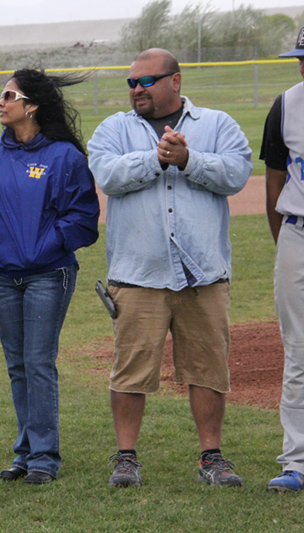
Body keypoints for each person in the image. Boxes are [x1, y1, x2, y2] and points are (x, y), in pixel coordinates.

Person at [87, 48, 252, 488]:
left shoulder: (217, 125)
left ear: (175, 81)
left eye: (146, 81)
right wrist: (158, 159)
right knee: (131, 370)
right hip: (138, 273)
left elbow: (237, 172)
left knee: (208, 368)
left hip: (204, 274)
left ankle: (211, 457)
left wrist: (190, 160)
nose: (136, 90)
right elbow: (107, 174)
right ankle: (125, 457)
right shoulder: (114, 128)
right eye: (131, 83)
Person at [0, 69, 99, 485]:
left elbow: (83, 220)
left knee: (38, 363)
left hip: (49, 275)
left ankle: (45, 457)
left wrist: (44, 247)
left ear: (31, 106)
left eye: (9, 95)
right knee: (17, 366)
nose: (0, 102)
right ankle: (25, 453)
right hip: (3, 278)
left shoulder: (65, 157)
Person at [262, 27, 304, 493]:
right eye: (300, 55)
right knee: (298, 353)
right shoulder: (287, 104)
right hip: (298, 233)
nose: (303, 64)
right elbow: (275, 179)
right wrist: (285, 241)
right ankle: (297, 461)